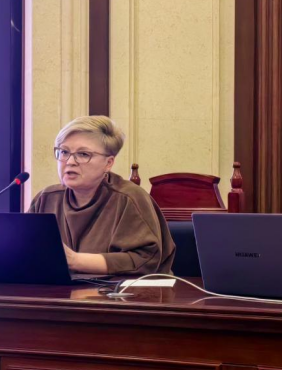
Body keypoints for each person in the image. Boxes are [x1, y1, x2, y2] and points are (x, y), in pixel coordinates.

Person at [29, 116, 175, 276]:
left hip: (126, 289)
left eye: (83, 154)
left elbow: (147, 260)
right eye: (64, 152)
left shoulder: (129, 198)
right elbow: (27, 249)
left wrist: (75, 260)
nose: (70, 161)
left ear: (108, 163)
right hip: (60, 288)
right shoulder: (46, 198)